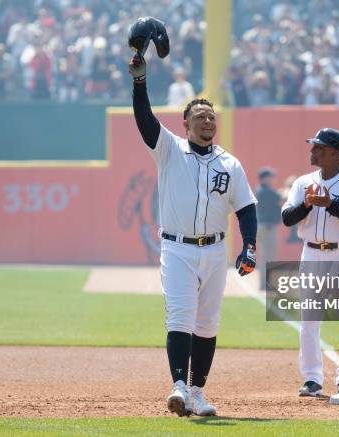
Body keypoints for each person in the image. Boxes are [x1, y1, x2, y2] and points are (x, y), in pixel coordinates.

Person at [129, 52, 258, 417]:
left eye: (211, 116)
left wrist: (248, 246)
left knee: (208, 323)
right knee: (181, 317)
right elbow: (144, 120)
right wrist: (140, 82)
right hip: (177, 249)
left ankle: (198, 392)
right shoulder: (169, 148)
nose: (207, 120)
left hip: (215, 251)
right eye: (200, 115)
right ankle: (179, 387)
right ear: (185, 123)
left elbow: (246, 208)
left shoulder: (229, 163)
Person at [282, 128, 339, 396]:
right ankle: (312, 378)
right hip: (312, 253)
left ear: (335, 152)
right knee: (309, 319)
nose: (313, 150)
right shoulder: (303, 182)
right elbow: (287, 218)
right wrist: (307, 206)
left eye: (318, 147)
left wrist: (330, 204)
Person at [256, 167, 282, 289]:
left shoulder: (263, 190)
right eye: (270, 177)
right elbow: (280, 197)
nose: (272, 179)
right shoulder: (264, 191)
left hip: (265, 227)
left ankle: (265, 283)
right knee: (268, 257)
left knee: (267, 256)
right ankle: (266, 284)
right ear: (264, 179)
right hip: (267, 227)